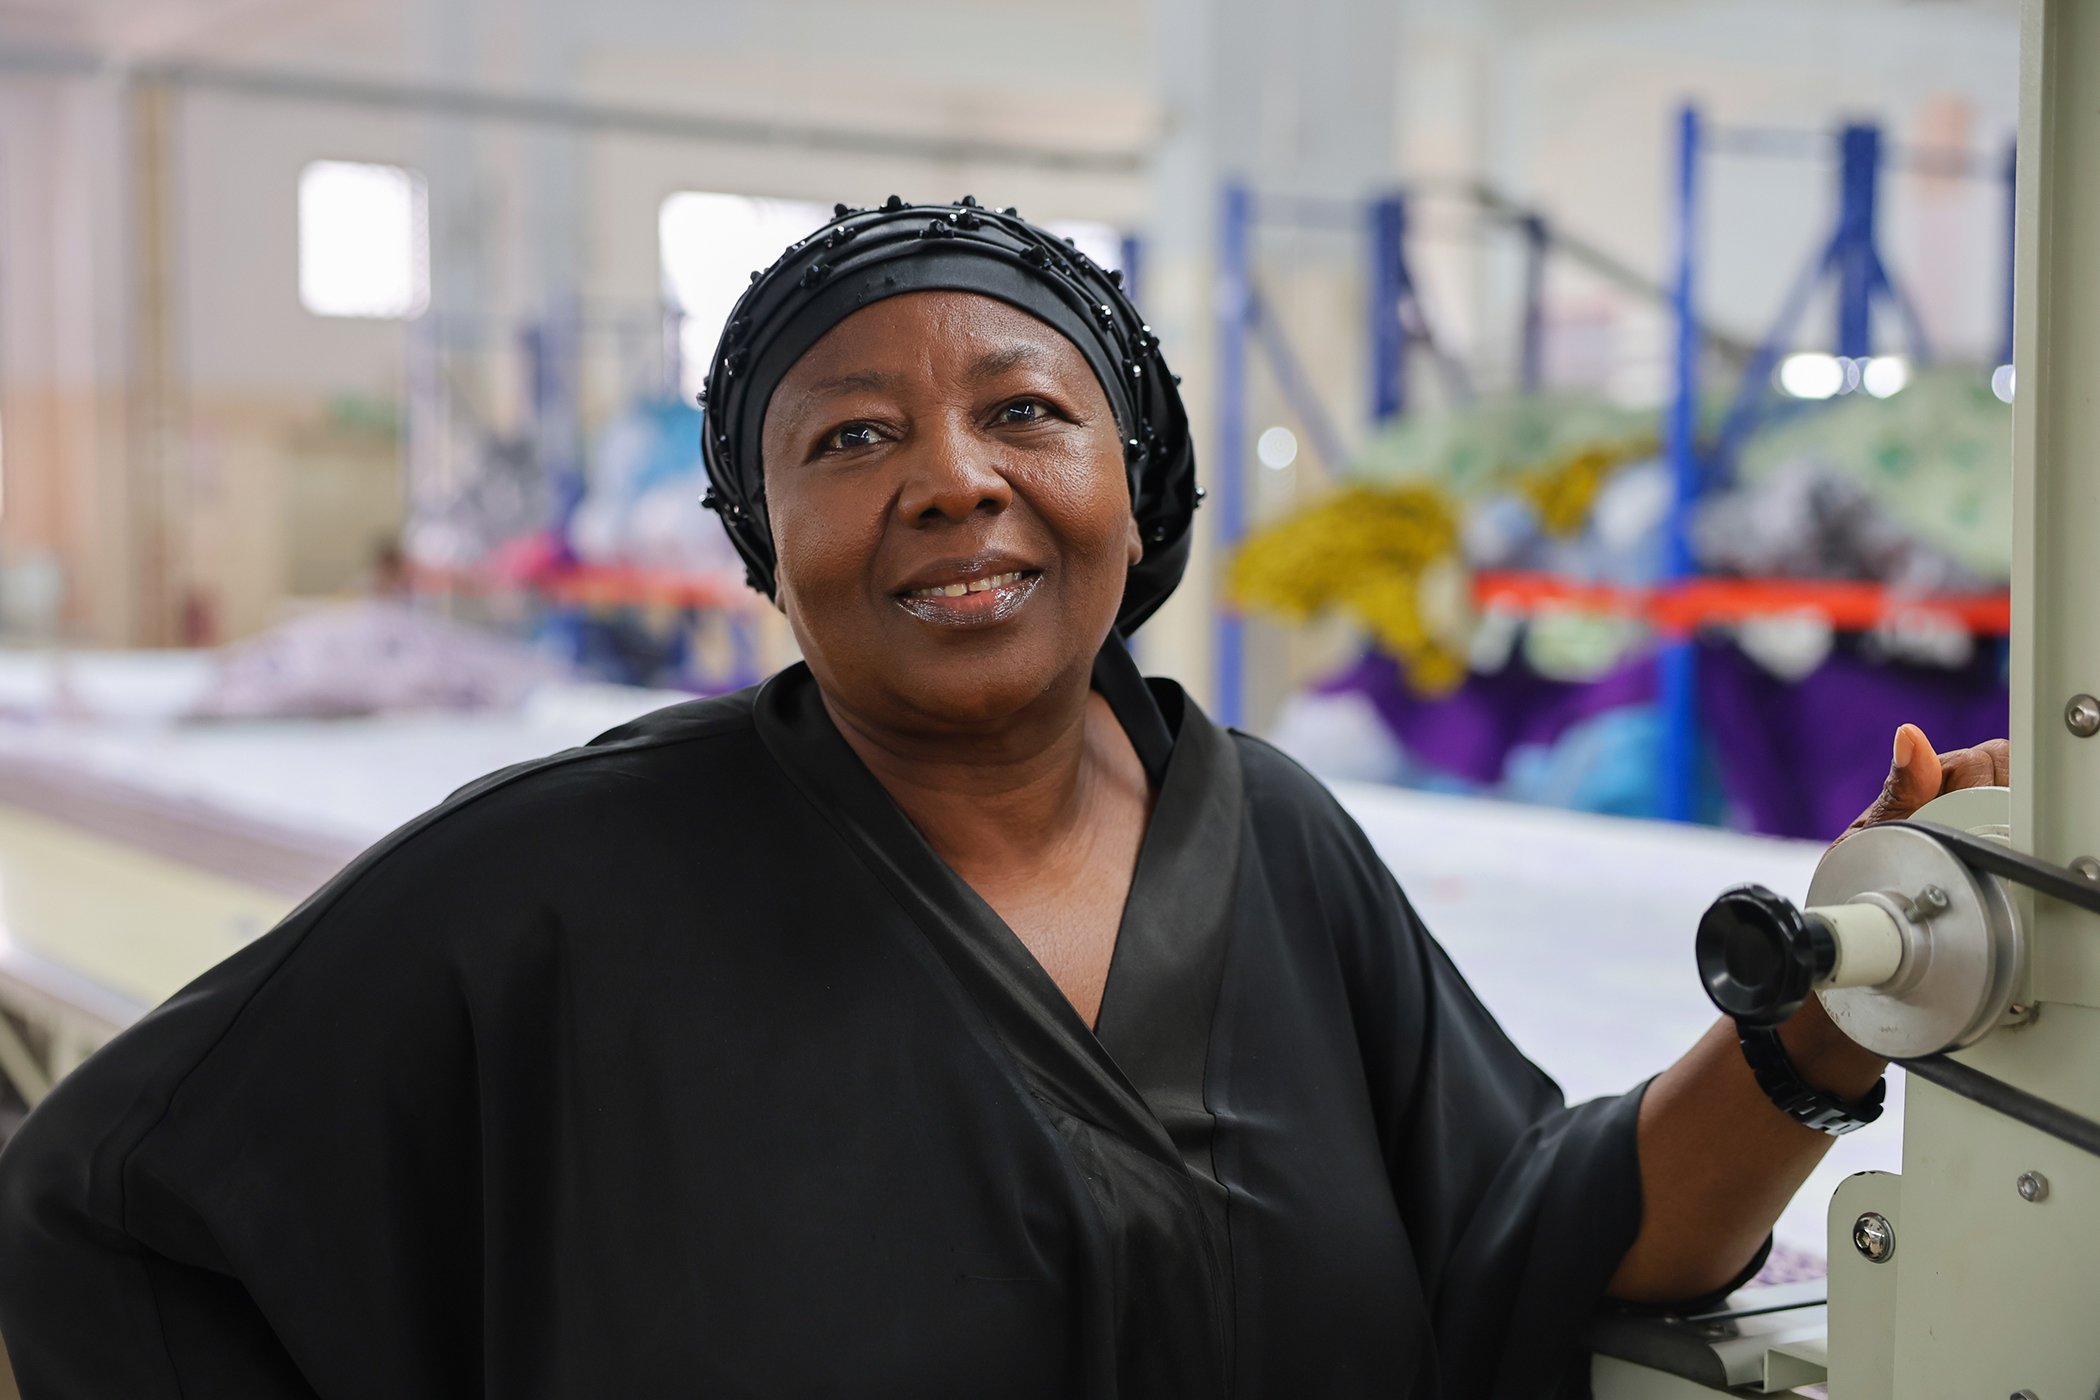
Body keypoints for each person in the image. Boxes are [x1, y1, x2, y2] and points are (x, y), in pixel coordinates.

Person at [0, 199, 2005, 1399]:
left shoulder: (1272, 841)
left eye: (1025, 411)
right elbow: (110, 1206)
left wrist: (1827, 1004)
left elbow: (1534, 1228)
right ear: (763, 543)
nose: (952, 478)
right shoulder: (559, 887)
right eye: (853, 435)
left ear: (1129, 485)